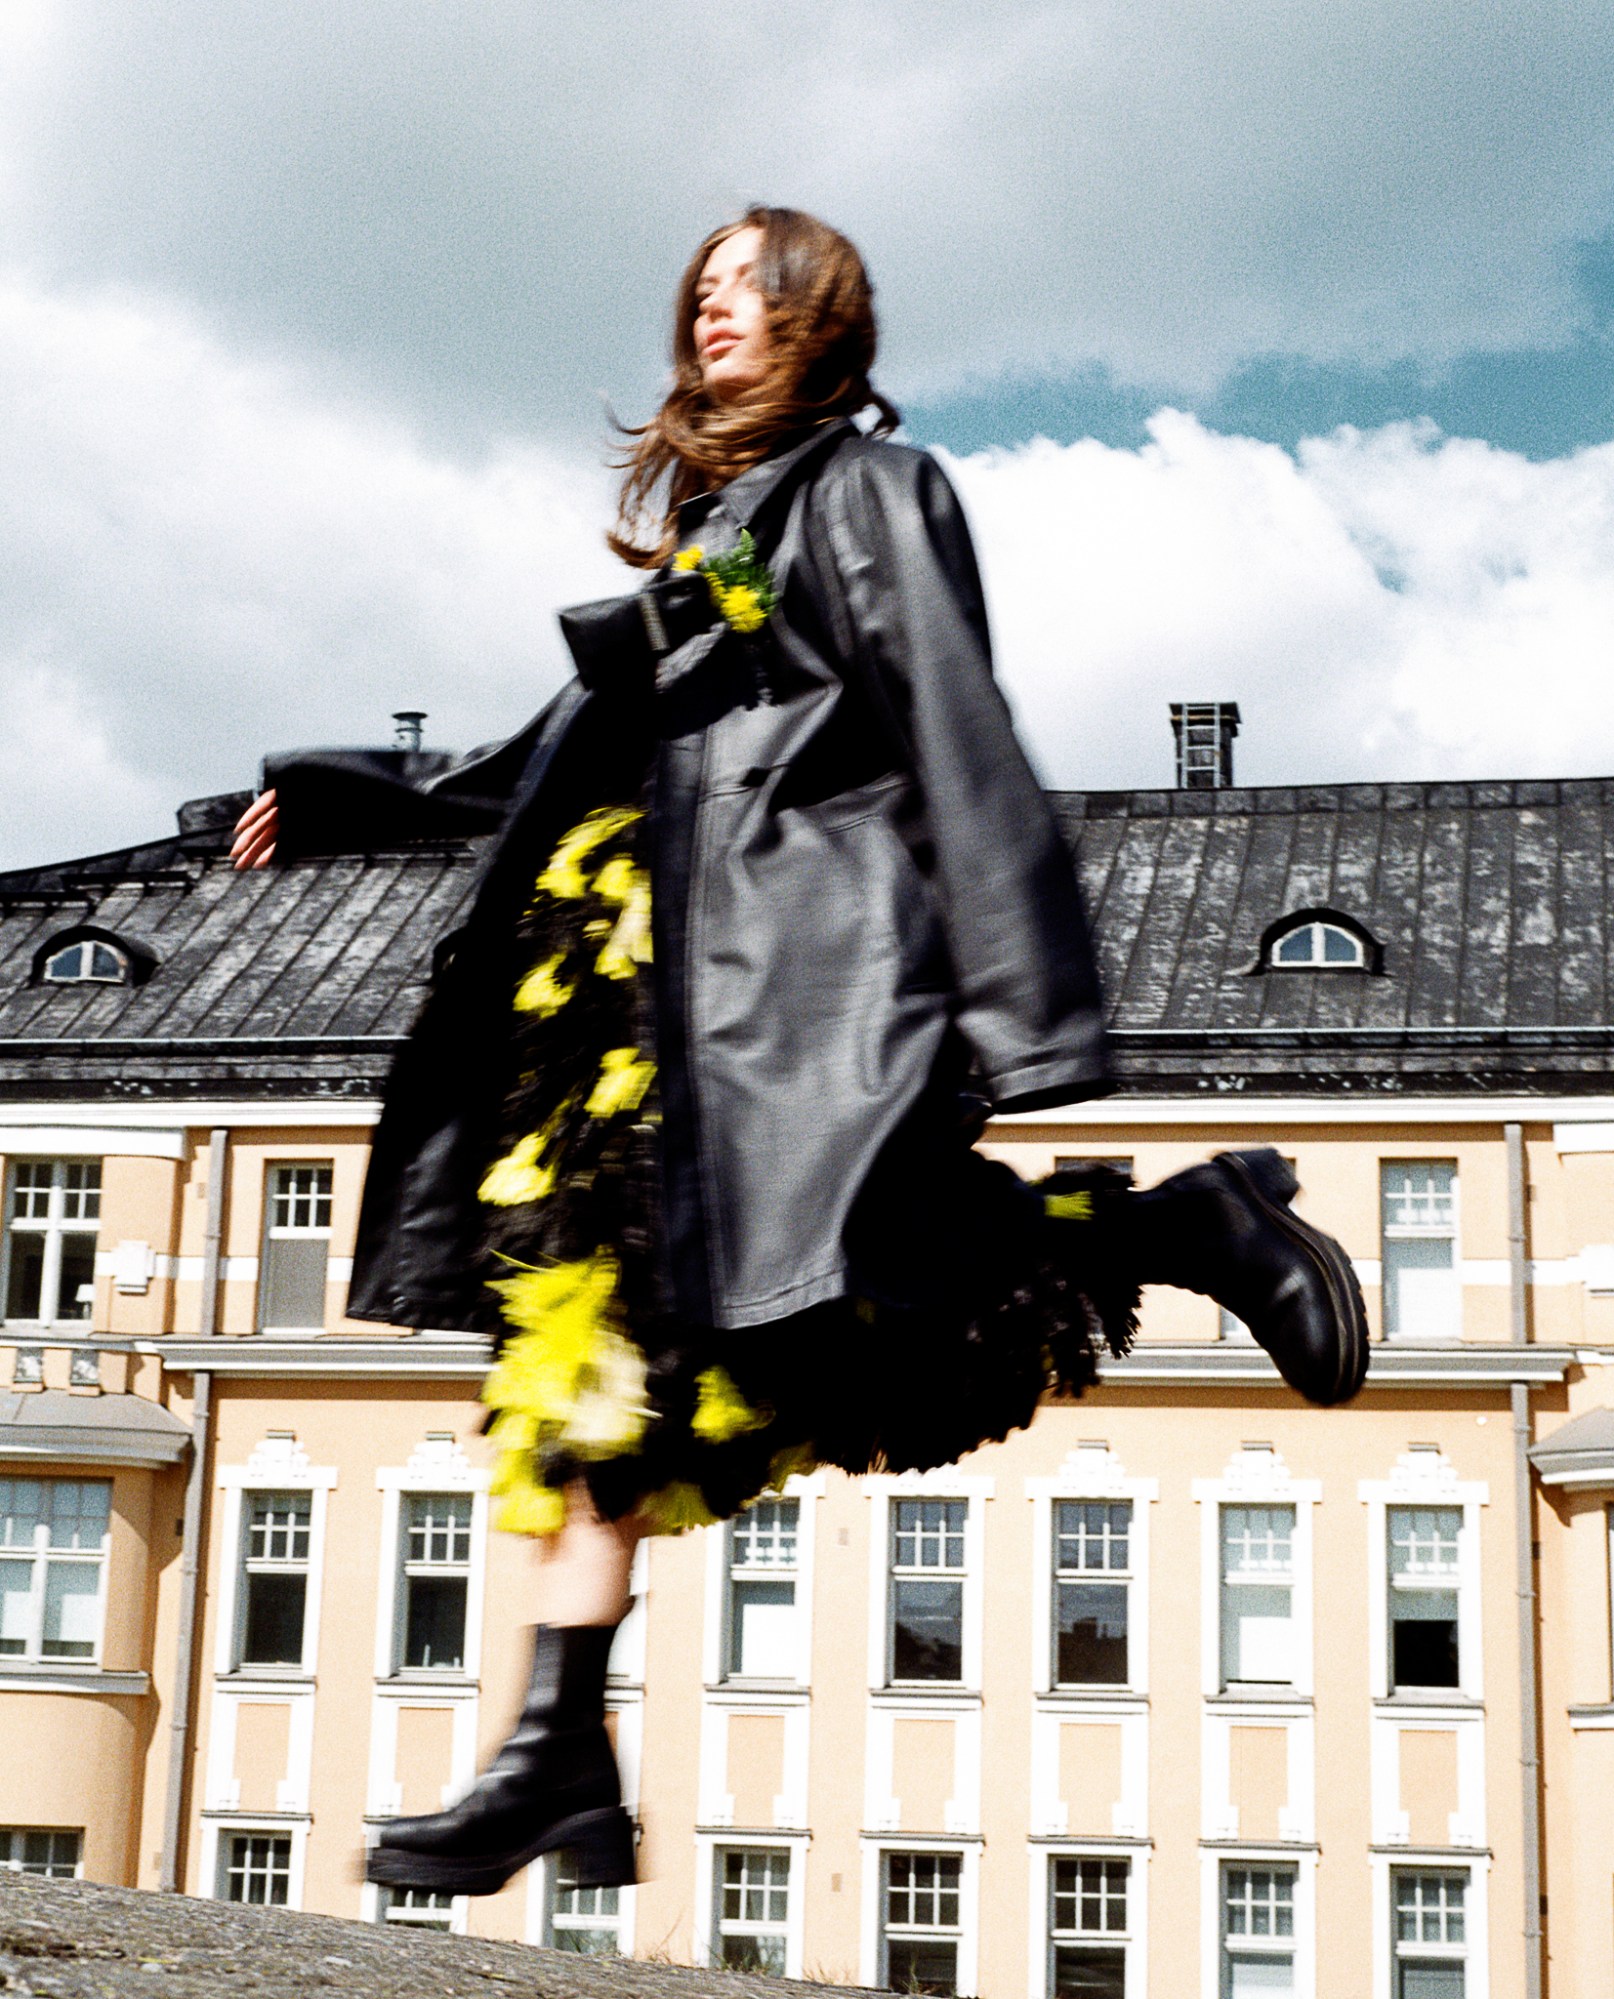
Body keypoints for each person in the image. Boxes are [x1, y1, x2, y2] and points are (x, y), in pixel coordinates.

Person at [231, 206, 1369, 1902]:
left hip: (787, 987)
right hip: (631, 1008)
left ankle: (1187, 1222)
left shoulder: (863, 494)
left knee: (853, 1307)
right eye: (695, 294)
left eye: (746, 289)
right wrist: (337, 800)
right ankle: (558, 1752)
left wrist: (1021, 995)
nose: (713, 315)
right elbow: (543, 754)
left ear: (822, 319)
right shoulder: (710, 530)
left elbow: (954, 720)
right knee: (586, 1370)